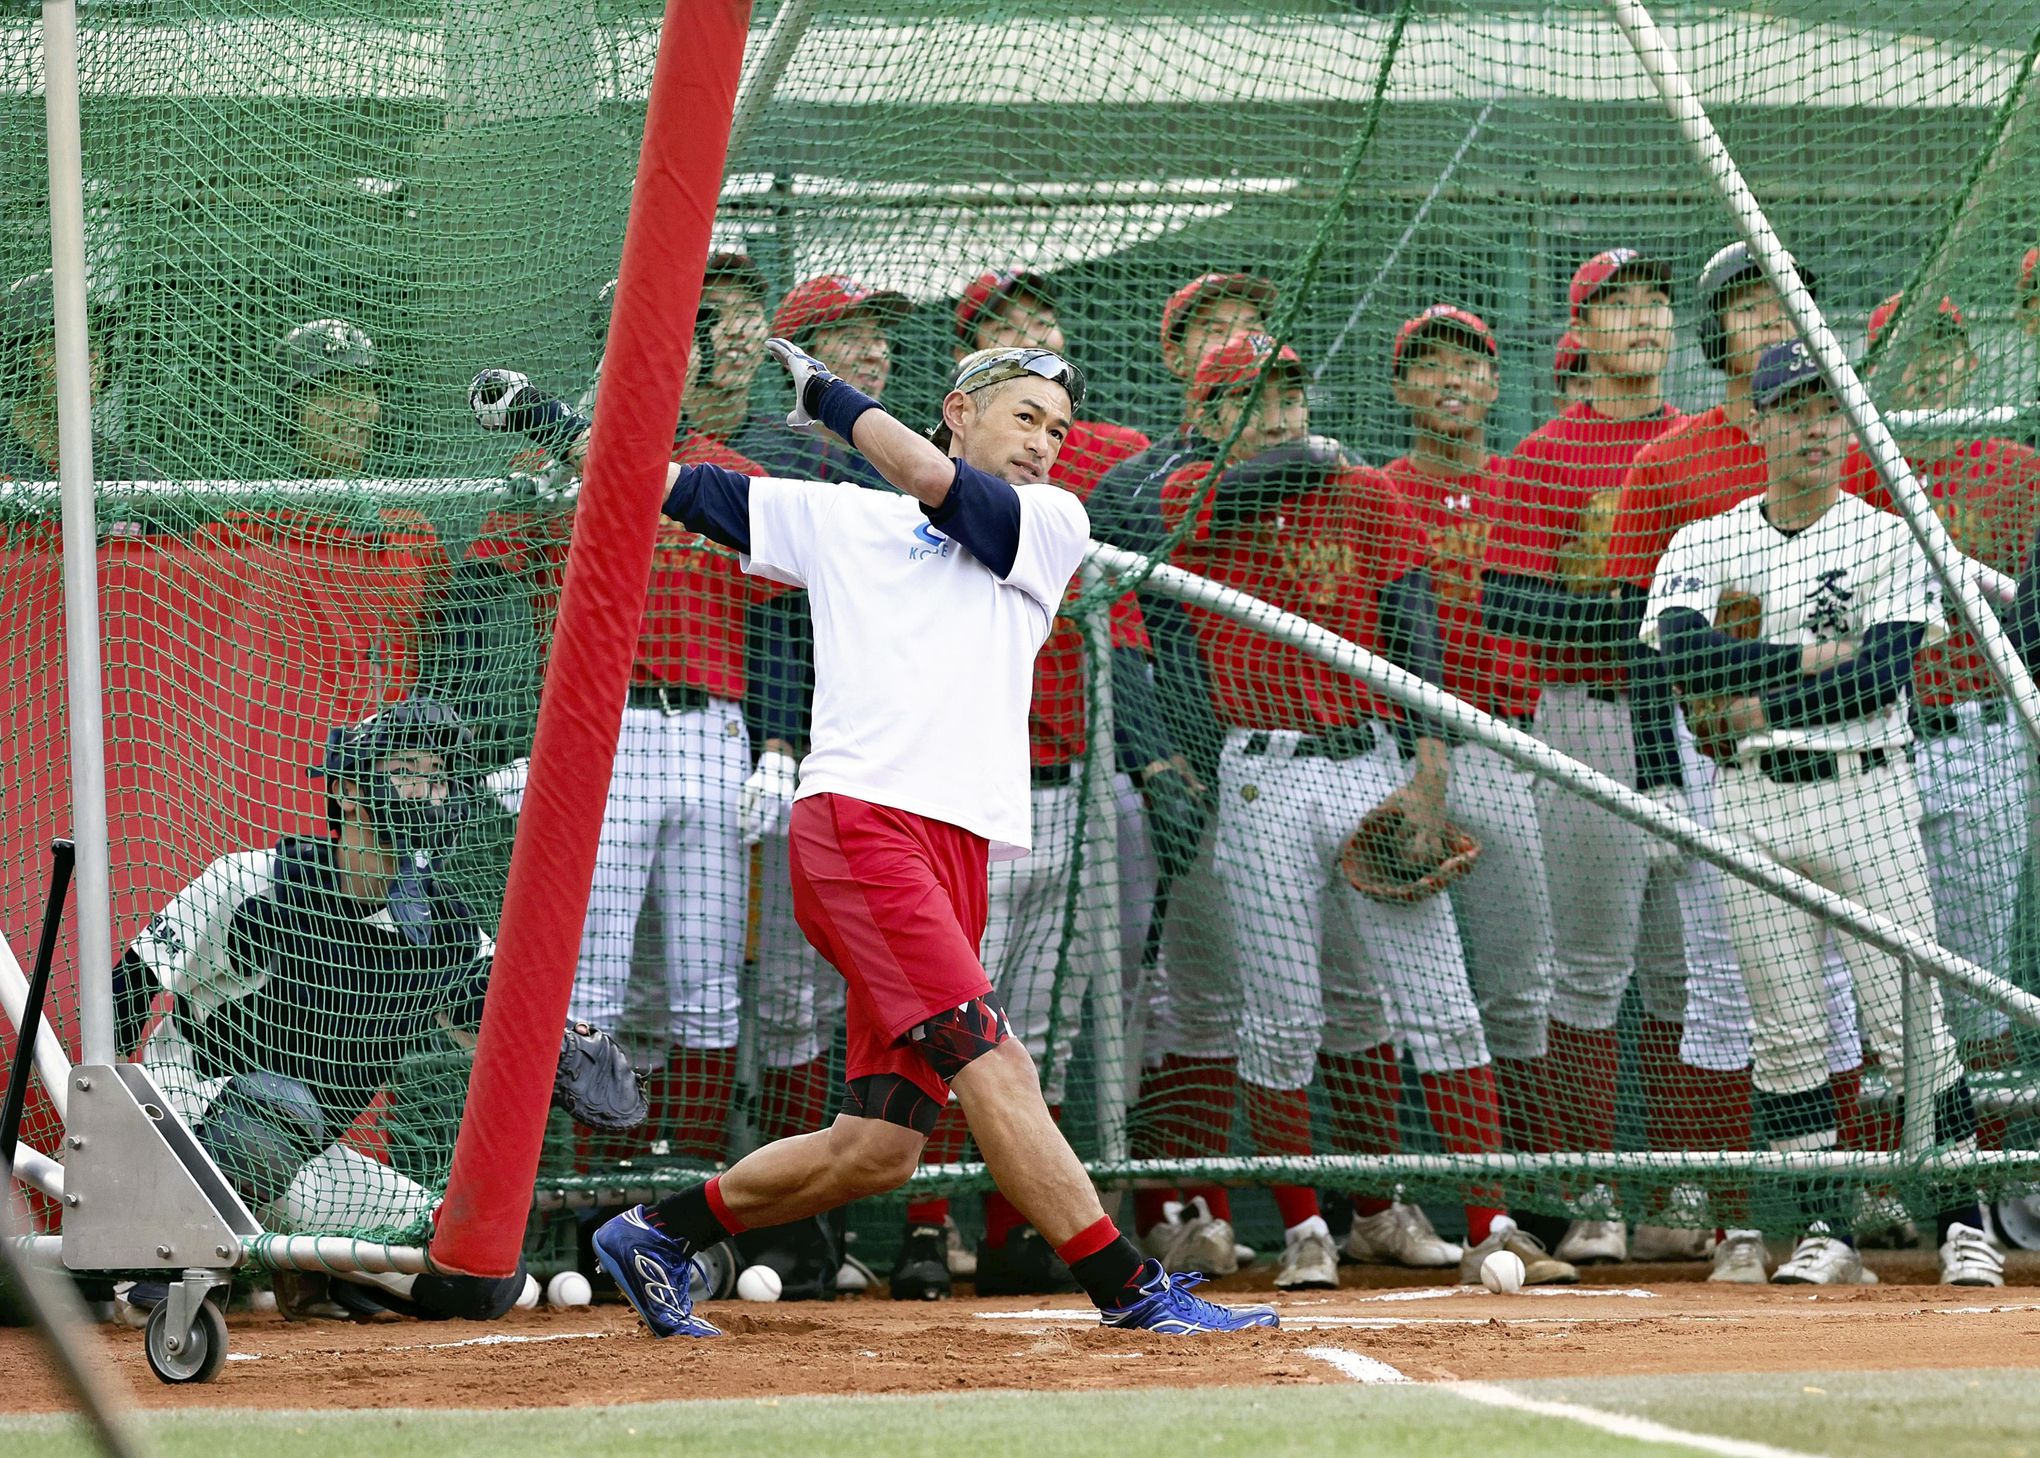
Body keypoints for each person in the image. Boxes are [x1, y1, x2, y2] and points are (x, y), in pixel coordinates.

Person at [590, 338, 1277, 1337]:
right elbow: (678, 491)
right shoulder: (845, 520)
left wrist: (827, 399)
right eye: (1024, 416)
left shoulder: (1051, 521)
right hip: (862, 823)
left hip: (958, 847)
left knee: (878, 1148)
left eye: (1058, 426)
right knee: (997, 1066)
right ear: (959, 410)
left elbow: (928, 479)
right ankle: (1131, 1290)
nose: (1046, 442)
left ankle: (653, 1233)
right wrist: (558, 431)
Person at [1644, 338, 2001, 1288]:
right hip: (1754, 794)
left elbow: (1882, 675)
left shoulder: (1889, 534)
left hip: (1868, 788)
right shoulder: (1706, 540)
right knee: (1787, 1027)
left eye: (1828, 407)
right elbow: (1686, 659)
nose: (1814, 426)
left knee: (1909, 1013)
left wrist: (1759, 690)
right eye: (1793, 408)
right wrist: (1804, 667)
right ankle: (1823, 1230)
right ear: (1754, 422)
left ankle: (1964, 1221)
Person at [1158, 331, 1504, 1292]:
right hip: (1262, 775)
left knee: (1436, 997)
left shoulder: (1368, 493)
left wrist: (1430, 766)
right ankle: (1307, 1227)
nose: (1278, 410)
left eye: (1291, 391)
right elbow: (1236, 487)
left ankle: (1494, 1223)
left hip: (1368, 764)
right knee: (1279, 1012)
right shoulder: (1191, 493)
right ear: (1206, 415)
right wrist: (1309, 451)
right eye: (1249, 397)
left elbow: (1415, 630)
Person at [1603, 243, 1867, 1276]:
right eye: (1753, 308)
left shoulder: (1845, 435)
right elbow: (1639, 626)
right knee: (1726, 967)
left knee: (1834, 966)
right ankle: (1731, 1210)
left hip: (1833, 730)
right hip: (1712, 734)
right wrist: (1658, 769)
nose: (1773, 321)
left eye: (1788, 302)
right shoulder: (1669, 457)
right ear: (1718, 334)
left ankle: (1828, 1211)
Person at [113, 697, 529, 1320]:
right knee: (275, 1113)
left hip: (311, 1163)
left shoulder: (447, 931)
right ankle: (156, 1265)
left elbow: (493, 1032)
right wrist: (111, 1139)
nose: (430, 789)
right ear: (348, 790)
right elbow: (123, 997)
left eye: (440, 775)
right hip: (191, 1116)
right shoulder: (253, 882)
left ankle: (323, 1274)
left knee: (481, 1277)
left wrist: (559, 1042)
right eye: (408, 768)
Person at [1480, 247, 1690, 1265]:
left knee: (1696, 975)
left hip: (1702, 724)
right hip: (1587, 722)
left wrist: (1648, 622)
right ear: (1582, 331)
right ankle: (1590, 1189)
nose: (1644, 319)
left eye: (1656, 302)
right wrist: (1628, 615)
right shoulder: (1544, 455)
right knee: (1589, 974)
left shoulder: (1702, 442)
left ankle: (1688, 1194)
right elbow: (1504, 602)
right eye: (1620, 305)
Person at [1378, 305, 1576, 1285]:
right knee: (1382, 998)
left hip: (1511, 749)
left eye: (1469, 363)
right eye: (1429, 368)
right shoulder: (1375, 492)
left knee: (1518, 988)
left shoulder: (1527, 485)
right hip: (1402, 758)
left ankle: (1530, 1208)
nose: (1451, 381)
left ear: (1497, 385)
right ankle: (1370, 1203)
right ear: (1402, 390)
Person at [1082, 273, 1276, 1264]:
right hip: (1176, 765)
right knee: (1158, 991)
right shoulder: (1128, 485)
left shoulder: (1315, 477)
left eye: (1250, 324)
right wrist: (1159, 757)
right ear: (1175, 360)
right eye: (1210, 329)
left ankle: (1223, 1207)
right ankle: (1158, 1205)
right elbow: (1123, 640)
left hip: (1285, 759)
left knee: (1250, 992)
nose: (1234, 340)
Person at [1842, 291, 2040, 1127]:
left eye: (1941, 345)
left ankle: (1982, 1191)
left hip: (1982, 734)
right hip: (1872, 739)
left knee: (1980, 973)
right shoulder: (1851, 472)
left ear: (1968, 358)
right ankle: (1880, 1192)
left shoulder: (2017, 467)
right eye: (1904, 349)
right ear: (1877, 369)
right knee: (1867, 970)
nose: (1927, 363)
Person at [0, 267, 156, 480]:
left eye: (91, 348)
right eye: (61, 348)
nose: (84, 364)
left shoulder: (125, 473)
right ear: (18, 361)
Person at [276, 317, 381, 478]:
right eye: (330, 393)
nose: (353, 409)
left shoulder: (406, 495)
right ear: (290, 413)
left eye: (361, 391)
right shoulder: (254, 498)